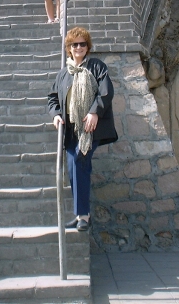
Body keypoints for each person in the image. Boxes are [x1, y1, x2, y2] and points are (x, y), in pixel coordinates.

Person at [48, 27, 118, 231]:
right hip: (70, 129)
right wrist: (56, 115)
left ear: (88, 47)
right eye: (74, 44)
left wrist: (95, 111)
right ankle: (82, 214)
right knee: (74, 167)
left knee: (79, 159)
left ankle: (83, 217)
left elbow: (106, 92)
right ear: (68, 48)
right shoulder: (63, 73)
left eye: (83, 44)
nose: (79, 47)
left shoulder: (96, 67)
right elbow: (52, 98)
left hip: (90, 127)